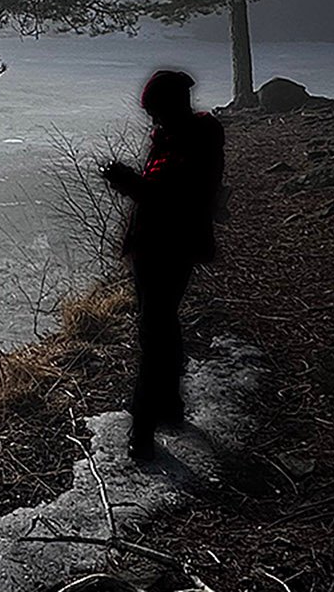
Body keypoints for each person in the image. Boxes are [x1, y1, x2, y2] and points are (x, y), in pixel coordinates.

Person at [102, 69, 225, 462]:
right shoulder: (180, 136)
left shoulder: (191, 141)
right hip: (163, 247)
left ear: (172, 107)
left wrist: (126, 182)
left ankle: (143, 430)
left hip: (167, 248)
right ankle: (170, 406)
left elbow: (172, 198)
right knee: (163, 325)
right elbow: (166, 190)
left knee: (153, 335)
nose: (152, 120)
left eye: (156, 111)